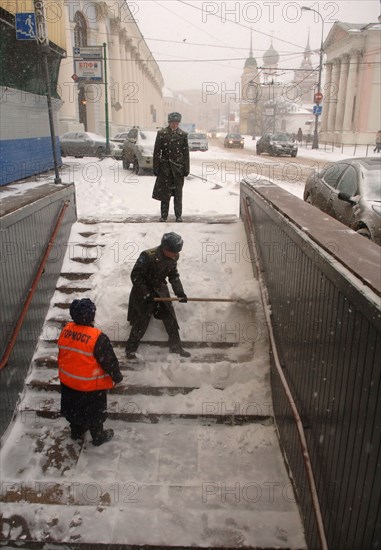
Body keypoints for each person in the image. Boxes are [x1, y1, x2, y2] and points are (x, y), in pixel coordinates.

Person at [57, 298, 123, 446]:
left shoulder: (66, 330)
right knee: (94, 413)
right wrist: (117, 376)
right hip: (90, 386)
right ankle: (98, 436)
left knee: (74, 410)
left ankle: (76, 431)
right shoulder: (97, 337)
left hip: (69, 382)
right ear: (91, 316)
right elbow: (109, 361)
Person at [125, 232, 190, 359]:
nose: (176, 255)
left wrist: (180, 293)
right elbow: (136, 276)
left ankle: (176, 347)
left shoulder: (173, 257)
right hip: (143, 292)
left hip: (160, 290)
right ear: (166, 249)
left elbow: (173, 275)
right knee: (141, 322)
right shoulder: (147, 256)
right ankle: (130, 349)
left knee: (170, 319)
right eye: (174, 252)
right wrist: (146, 293)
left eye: (177, 252)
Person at [152, 112, 190, 222]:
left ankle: (178, 215)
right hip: (165, 169)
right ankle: (164, 216)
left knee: (178, 194)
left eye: (176, 123)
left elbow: (186, 153)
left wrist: (186, 169)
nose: (174, 125)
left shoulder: (183, 135)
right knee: (165, 194)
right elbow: (156, 152)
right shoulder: (162, 133)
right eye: (173, 123)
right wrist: (156, 167)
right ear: (169, 122)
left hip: (178, 170)